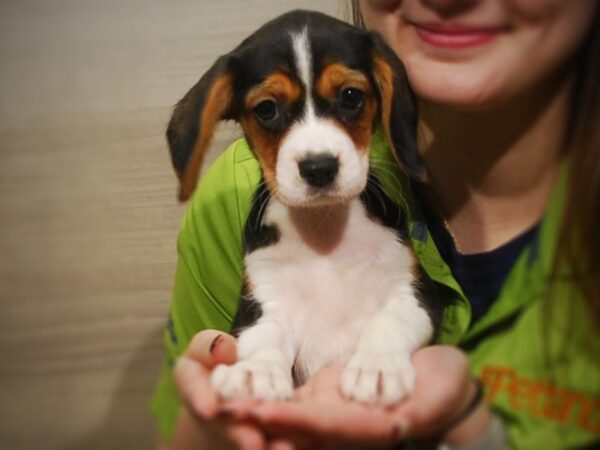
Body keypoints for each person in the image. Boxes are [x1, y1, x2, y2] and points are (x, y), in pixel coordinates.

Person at [151, 0, 600, 448]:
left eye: (349, 99)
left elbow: (406, 302)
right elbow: (263, 327)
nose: (316, 150)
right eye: (269, 110)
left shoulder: (381, 228)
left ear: (387, 92)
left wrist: (467, 423)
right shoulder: (232, 200)